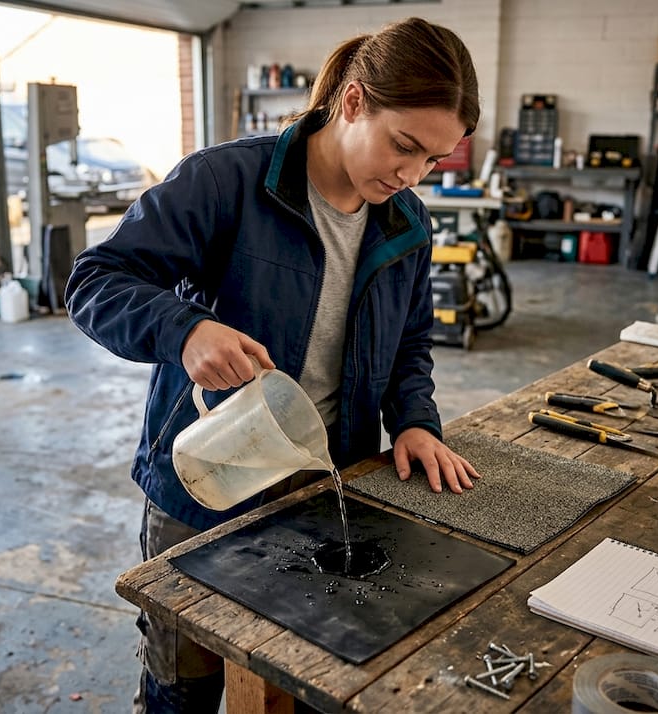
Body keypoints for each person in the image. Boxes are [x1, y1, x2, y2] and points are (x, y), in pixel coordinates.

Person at [65, 16, 481, 713]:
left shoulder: (407, 223)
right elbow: (95, 281)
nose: (412, 175)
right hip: (205, 485)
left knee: (306, 682)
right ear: (353, 102)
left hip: (323, 487)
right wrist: (184, 328)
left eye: (433, 161)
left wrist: (414, 420)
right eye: (404, 146)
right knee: (183, 687)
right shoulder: (225, 181)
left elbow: (410, 343)